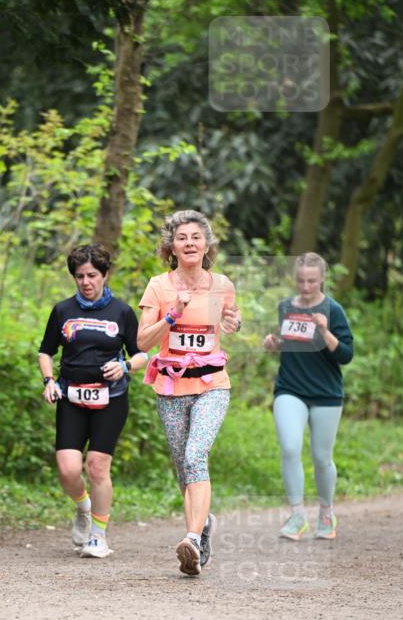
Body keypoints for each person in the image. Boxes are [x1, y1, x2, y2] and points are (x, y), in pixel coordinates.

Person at [137, 211, 241, 577]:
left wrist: (234, 322)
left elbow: (230, 319)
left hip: (213, 384)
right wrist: (172, 315)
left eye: (196, 237)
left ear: (207, 244)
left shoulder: (221, 284)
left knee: (197, 454)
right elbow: (142, 340)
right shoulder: (158, 286)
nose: (190, 243)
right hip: (170, 386)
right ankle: (204, 525)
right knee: (185, 468)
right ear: (172, 246)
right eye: (182, 237)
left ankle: (192, 539)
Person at [38, 244, 148, 559]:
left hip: (111, 398)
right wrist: (48, 381)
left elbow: (142, 354)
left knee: (97, 467)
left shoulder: (122, 312)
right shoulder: (62, 310)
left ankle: (98, 536)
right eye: (80, 276)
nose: (86, 282)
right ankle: (83, 507)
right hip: (71, 396)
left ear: (105, 275)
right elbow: (46, 351)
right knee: (68, 469)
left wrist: (125, 366)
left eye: (92, 275)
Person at [263, 252, 354, 541]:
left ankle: (326, 513)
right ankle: (297, 516)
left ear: (322, 279)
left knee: (321, 457)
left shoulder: (333, 310)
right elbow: (288, 342)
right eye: (301, 280)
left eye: (311, 281)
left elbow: (346, 355)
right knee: (290, 448)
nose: (305, 286)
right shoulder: (285, 307)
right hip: (290, 388)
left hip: (326, 393)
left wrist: (325, 330)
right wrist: (273, 343)